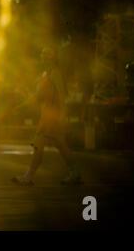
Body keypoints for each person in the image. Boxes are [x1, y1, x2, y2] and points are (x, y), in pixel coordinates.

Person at [12, 47, 82, 186]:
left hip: (52, 115)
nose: (43, 56)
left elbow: (62, 95)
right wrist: (21, 106)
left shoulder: (55, 73)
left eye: (47, 53)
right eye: (42, 53)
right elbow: (37, 96)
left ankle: (29, 176)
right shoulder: (45, 74)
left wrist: (63, 114)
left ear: (53, 57)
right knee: (61, 145)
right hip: (46, 114)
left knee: (39, 144)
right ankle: (75, 173)